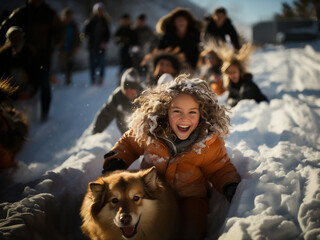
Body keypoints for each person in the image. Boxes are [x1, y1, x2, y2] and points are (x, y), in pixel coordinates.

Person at [102, 74, 241, 240]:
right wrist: (118, 159)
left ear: (203, 114)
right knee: (147, 229)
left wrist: (229, 184)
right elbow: (130, 143)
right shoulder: (151, 132)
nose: (184, 118)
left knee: (191, 231)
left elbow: (219, 167)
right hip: (151, 195)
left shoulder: (208, 143)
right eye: (177, 111)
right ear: (165, 111)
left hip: (190, 198)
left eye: (192, 112)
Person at [0, 0, 63, 121]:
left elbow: (60, 30)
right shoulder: (22, 12)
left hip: (43, 55)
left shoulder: (49, 13)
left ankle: (44, 113)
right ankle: (12, 117)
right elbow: (5, 26)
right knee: (14, 82)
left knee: (44, 83)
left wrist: (57, 42)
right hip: (25, 55)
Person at [92, 68, 141, 135]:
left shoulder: (144, 97)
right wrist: (96, 131)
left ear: (137, 88)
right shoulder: (118, 97)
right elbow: (106, 114)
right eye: (126, 88)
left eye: (132, 88)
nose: (129, 91)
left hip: (142, 134)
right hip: (126, 134)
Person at [0, 26, 37, 100]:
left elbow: (35, 74)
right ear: (9, 40)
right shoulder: (3, 55)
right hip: (9, 93)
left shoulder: (30, 53)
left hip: (26, 94)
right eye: (14, 38)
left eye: (19, 37)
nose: (17, 40)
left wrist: (30, 89)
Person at [84, 2, 110, 85]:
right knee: (92, 65)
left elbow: (108, 34)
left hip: (101, 47)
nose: (100, 12)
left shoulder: (105, 21)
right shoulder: (90, 21)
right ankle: (93, 80)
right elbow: (85, 33)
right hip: (92, 46)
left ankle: (101, 78)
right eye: (99, 10)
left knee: (102, 64)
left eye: (101, 10)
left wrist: (104, 42)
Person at [58, 7, 80, 85]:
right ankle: (64, 77)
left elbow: (78, 36)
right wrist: (58, 43)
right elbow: (56, 35)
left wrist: (77, 46)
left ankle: (68, 79)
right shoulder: (60, 25)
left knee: (70, 63)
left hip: (71, 47)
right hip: (63, 48)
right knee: (63, 65)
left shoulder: (74, 25)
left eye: (70, 16)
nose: (68, 18)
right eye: (67, 16)